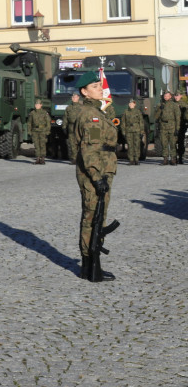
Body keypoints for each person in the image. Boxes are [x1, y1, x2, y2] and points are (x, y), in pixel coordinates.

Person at [72, 71, 118, 281]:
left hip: (101, 170)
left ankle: (91, 265)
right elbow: (90, 149)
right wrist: (96, 177)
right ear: (84, 92)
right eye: (95, 86)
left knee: (96, 218)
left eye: (100, 85)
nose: (100, 88)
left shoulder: (98, 112)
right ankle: (90, 267)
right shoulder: (91, 116)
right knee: (92, 218)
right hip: (95, 172)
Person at [157, 90, 180, 165]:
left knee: (173, 144)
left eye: (167, 96)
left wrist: (177, 128)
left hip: (172, 126)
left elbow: (177, 117)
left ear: (170, 96)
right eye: (165, 96)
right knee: (164, 144)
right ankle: (165, 159)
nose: (166, 97)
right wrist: (159, 109)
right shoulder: (161, 105)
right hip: (163, 127)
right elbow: (156, 117)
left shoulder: (174, 105)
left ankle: (173, 159)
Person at [28, 99, 51, 165]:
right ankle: (37, 158)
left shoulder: (44, 112)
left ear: (41, 105)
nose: (37, 106)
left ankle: (42, 159)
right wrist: (29, 131)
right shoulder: (32, 113)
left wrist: (47, 131)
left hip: (43, 130)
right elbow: (29, 123)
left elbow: (48, 122)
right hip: (35, 131)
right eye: (36, 104)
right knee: (36, 145)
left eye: (38, 104)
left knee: (42, 145)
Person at [122, 98, 145, 165]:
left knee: (137, 145)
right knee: (130, 145)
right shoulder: (126, 112)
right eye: (130, 104)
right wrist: (123, 132)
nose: (131, 105)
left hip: (136, 130)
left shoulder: (138, 112)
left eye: (132, 103)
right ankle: (131, 159)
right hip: (128, 130)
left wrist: (142, 131)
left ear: (135, 104)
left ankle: (136, 159)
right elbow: (123, 123)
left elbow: (141, 122)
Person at [64, 93, 82, 164]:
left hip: (79, 127)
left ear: (78, 98)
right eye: (73, 97)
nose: (74, 98)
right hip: (71, 127)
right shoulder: (68, 108)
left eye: (75, 97)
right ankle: (74, 158)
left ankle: (80, 158)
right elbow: (65, 118)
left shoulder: (82, 107)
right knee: (72, 144)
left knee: (79, 143)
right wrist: (64, 127)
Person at [175, 91, 187, 165]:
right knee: (173, 142)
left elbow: (186, 116)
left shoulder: (184, 105)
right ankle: (174, 157)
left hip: (181, 125)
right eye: (175, 96)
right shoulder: (172, 104)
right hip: (173, 126)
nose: (176, 97)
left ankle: (180, 157)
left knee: (180, 142)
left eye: (177, 95)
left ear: (181, 96)